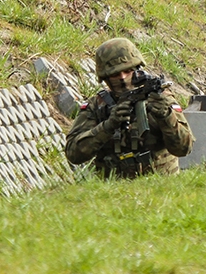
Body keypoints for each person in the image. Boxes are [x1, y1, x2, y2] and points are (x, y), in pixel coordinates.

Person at [66, 38, 194, 178]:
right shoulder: (97, 106)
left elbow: (184, 148)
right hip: (113, 191)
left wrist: (166, 116)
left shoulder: (160, 99)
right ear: (105, 77)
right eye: (115, 74)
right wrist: (108, 127)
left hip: (161, 186)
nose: (122, 78)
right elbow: (73, 154)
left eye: (127, 71)